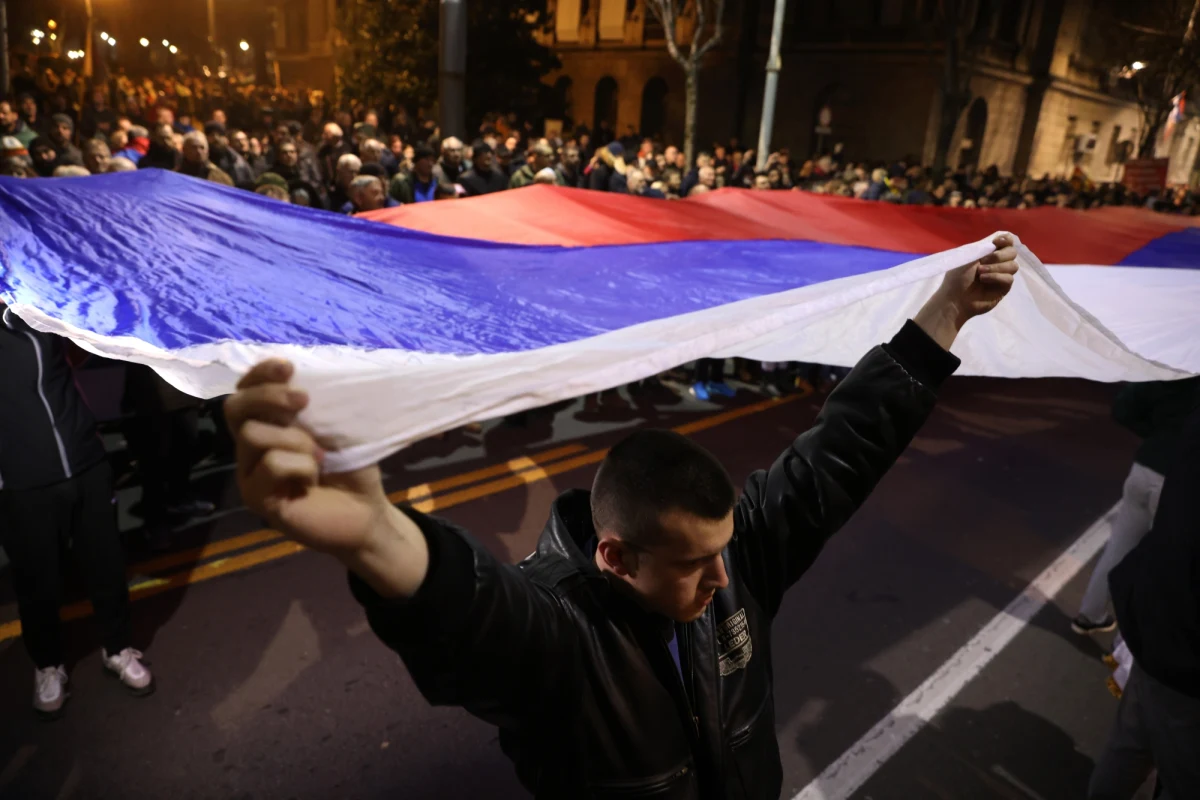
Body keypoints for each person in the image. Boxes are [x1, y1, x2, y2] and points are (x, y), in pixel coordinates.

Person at [223, 237, 1020, 799]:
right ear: (613, 558)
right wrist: (375, 536)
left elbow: (835, 458)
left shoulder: (731, 561)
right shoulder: (563, 634)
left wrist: (944, 316)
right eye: (692, 564)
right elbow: (482, 623)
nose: (723, 578)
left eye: (725, 550)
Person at [0, 304, 154, 717]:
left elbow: (82, 345)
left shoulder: (40, 309)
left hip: (85, 462)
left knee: (106, 564)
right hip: (21, 482)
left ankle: (118, 649)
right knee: (37, 584)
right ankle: (48, 666)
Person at [1089, 405, 1200, 800]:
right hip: (1185, 651)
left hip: (1155, 617)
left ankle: (1089, 614)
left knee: (1129, 743)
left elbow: (1129, 406)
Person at [1072, 377, 1200, 634]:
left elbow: (1123, 407)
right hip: (1181, 482)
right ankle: (1128, 647)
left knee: (1118, 546)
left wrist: (1156, 434)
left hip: (1145, 467)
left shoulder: (1174, 368)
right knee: (1162, 567)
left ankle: (1090, 613)